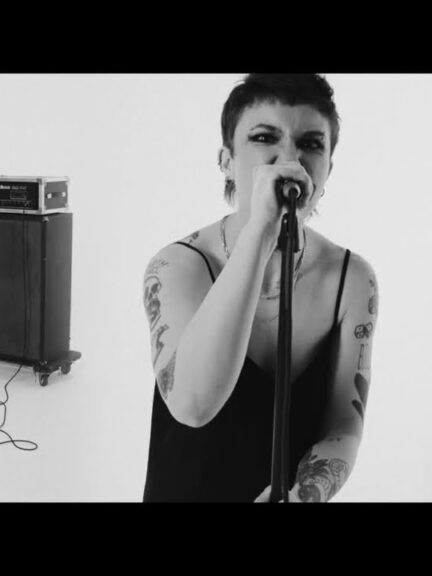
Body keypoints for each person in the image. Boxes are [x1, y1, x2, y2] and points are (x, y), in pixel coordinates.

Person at [142, 74, 377, 502]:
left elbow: (343, 426)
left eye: (311, 144)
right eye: (265, 138)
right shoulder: (177, 266)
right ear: (226, 161)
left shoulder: (352, 279)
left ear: (328, 168)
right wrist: (261, 232)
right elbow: (192, 406)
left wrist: (304, 494)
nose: (289, 160)